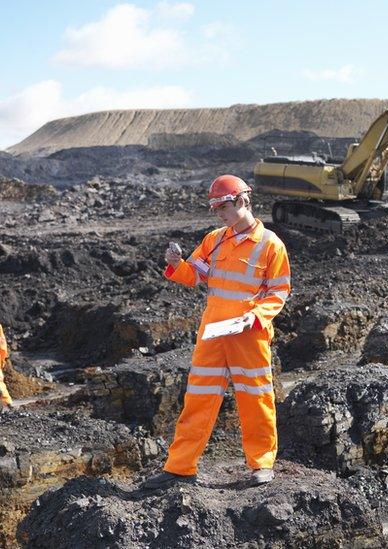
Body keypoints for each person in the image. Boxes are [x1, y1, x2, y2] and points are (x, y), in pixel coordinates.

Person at [143, 174, 291, 490]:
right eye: (215, 209)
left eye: (223, 206)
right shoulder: (215, 239)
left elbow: (279, 292)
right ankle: (180, 467)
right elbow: (194, 275)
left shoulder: (270, 245)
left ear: (242, 201)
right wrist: (176, 263)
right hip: (213, 332)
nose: (219, 214)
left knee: (256, 399)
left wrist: (257, 316)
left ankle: (261, 464)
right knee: (197, 399)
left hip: (248, 335)